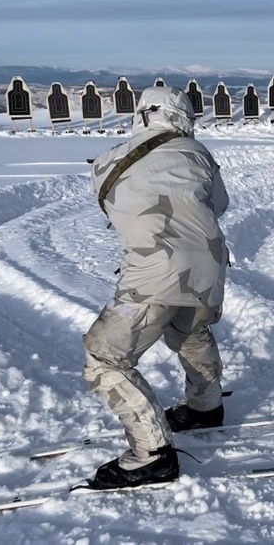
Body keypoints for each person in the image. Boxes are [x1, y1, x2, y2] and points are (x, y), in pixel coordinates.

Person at [83, 86, 230, 490]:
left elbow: (111, 206)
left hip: (153, 270)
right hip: (210, 264)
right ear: (183, 116)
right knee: (189, 331)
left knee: (104, 357)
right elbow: (218, 204)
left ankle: (152, 454)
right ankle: (204, 407)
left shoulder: (109, 160)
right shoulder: (198, 153)